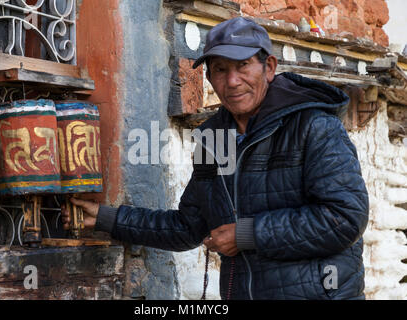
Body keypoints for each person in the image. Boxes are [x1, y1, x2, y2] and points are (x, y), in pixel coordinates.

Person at [62, 17, 369, 300]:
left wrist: (248, 235)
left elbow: (344, 218)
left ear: (269, 67)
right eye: (221, 70)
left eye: (243, 66)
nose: (232, 81)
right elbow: (188, 227)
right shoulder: (213, 140)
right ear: (209, 77)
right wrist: (106, 218)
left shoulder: (314, 126)